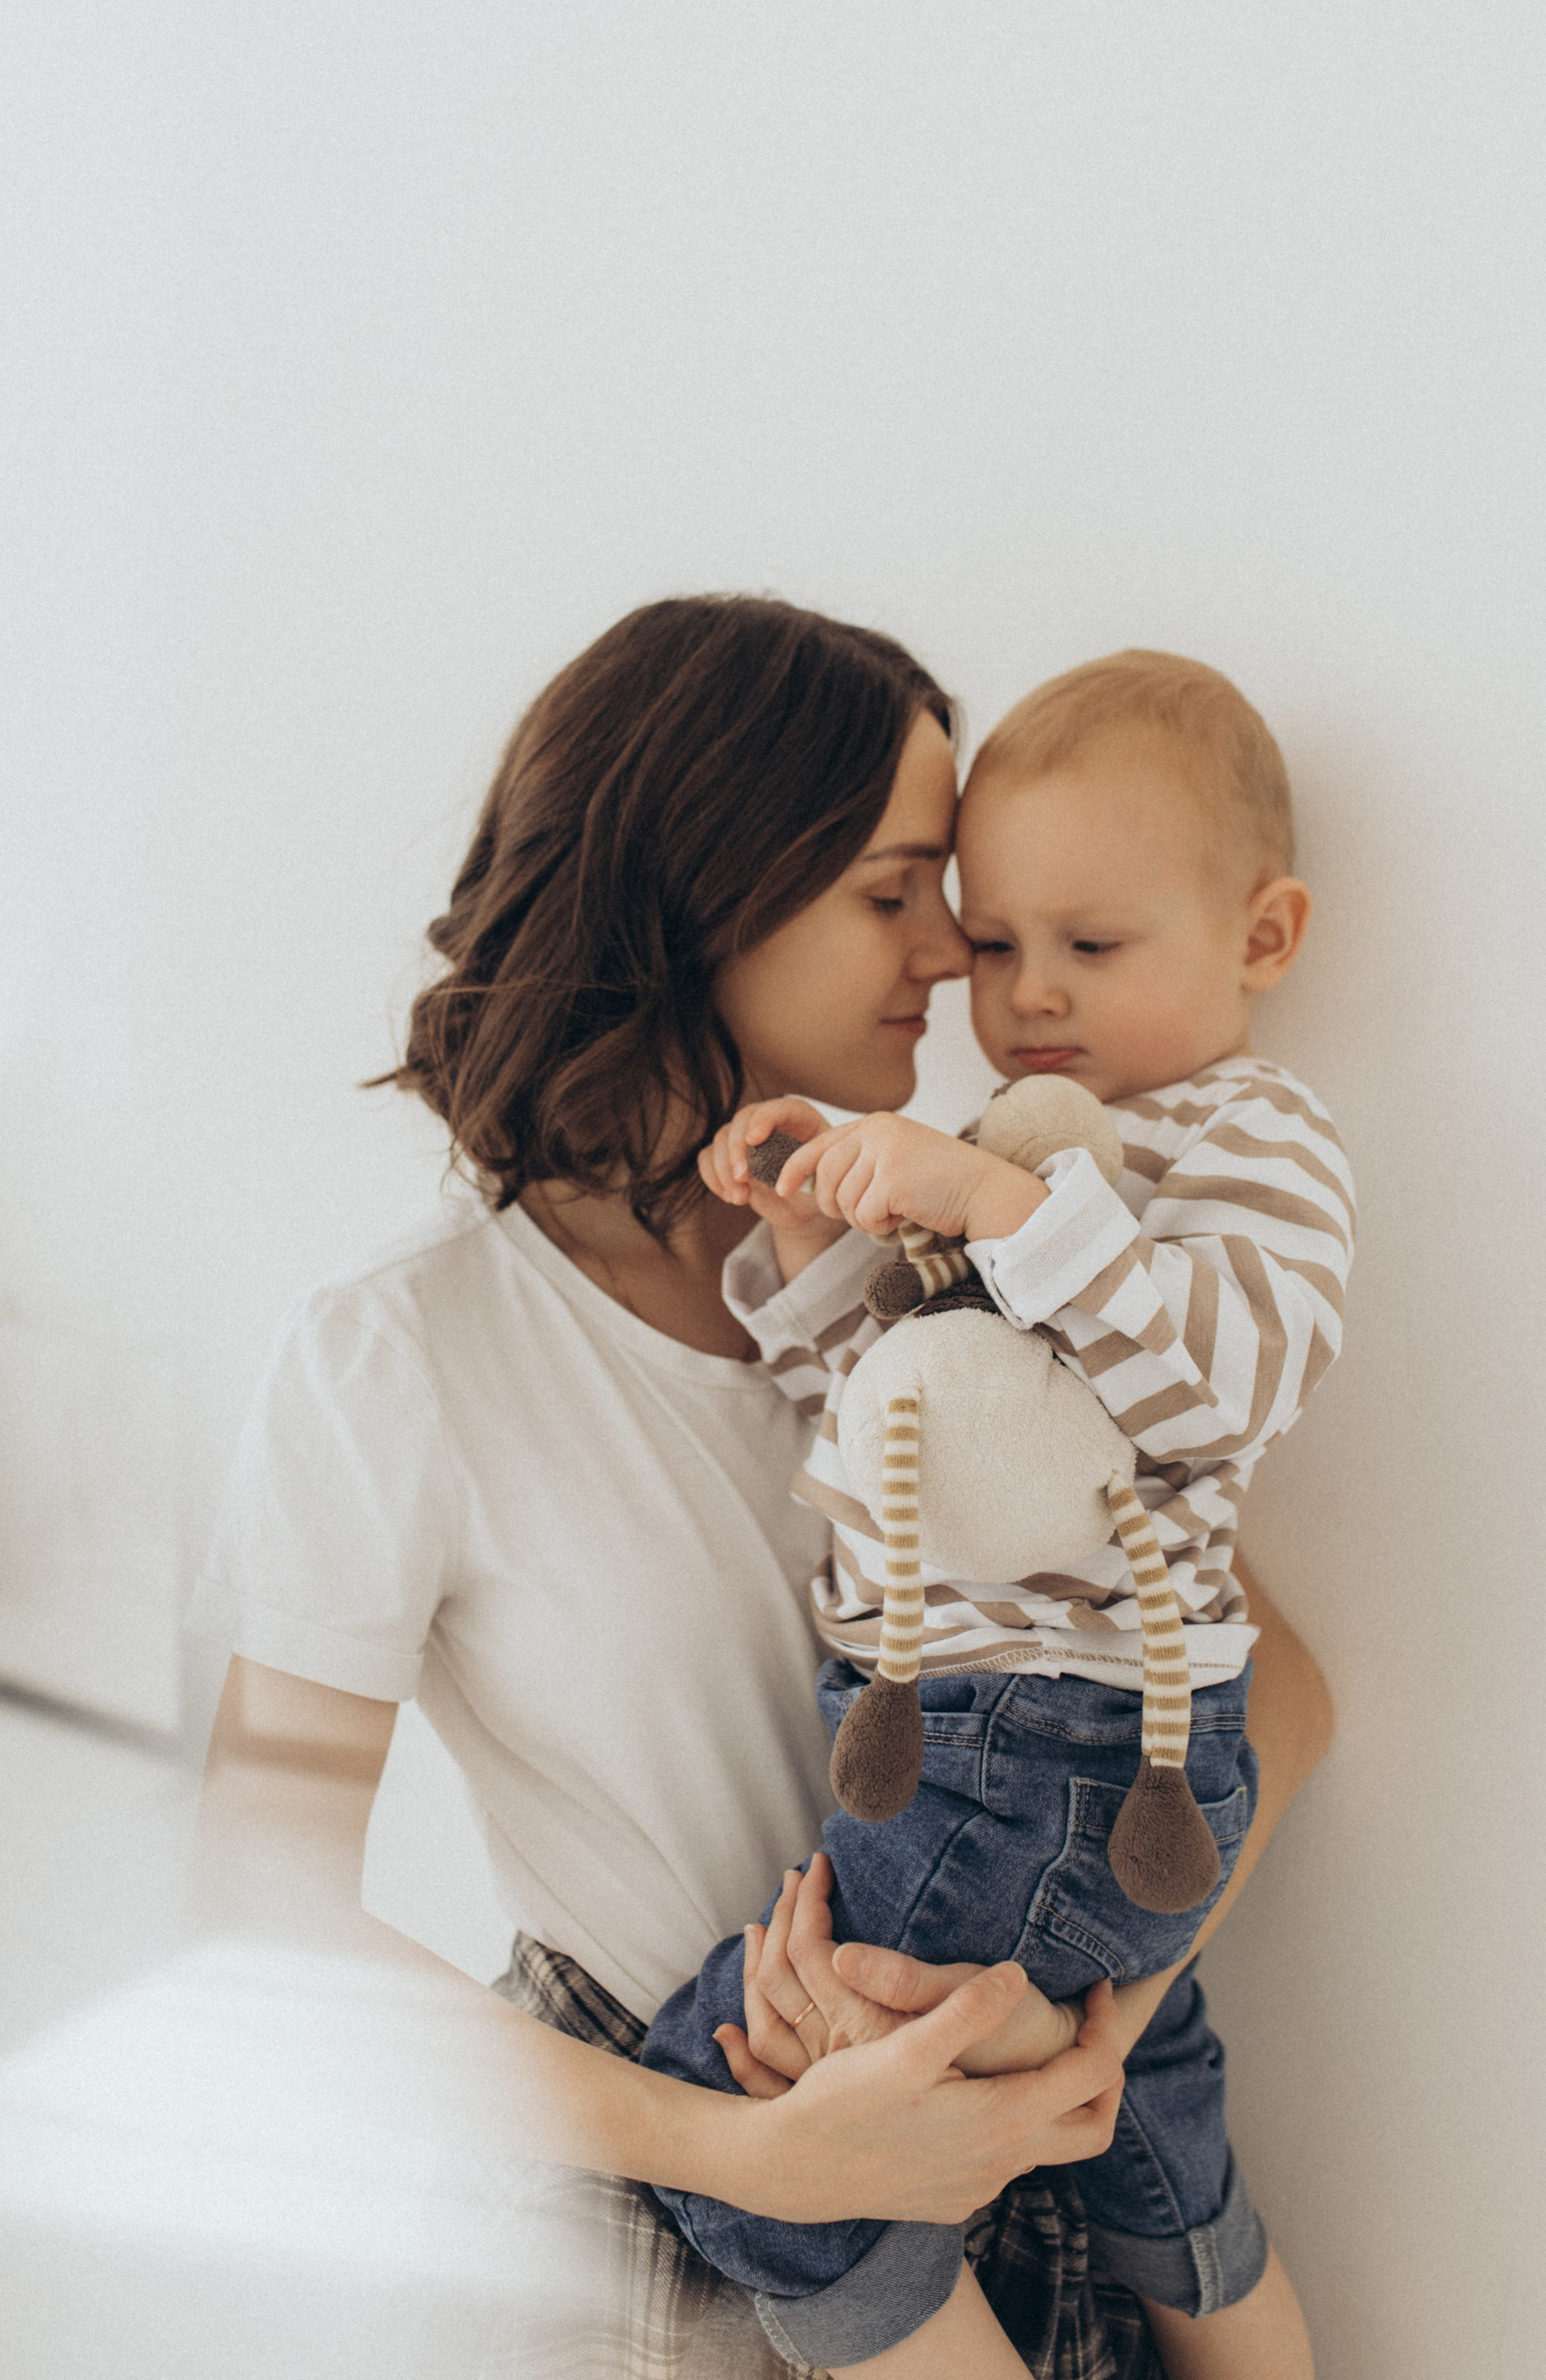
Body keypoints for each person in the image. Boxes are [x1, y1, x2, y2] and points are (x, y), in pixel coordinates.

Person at [187, 601, 1334, 2379]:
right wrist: (753, 2150)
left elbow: (1280, 1687)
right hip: (667, 2219)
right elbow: (262, 1922)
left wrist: (1083, 1994)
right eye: (895, 892)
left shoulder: (955, 1280)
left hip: (1013, 2174)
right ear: (706, 893)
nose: (958, 958)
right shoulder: (401, 1356)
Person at [643, 651, 1351, 2380]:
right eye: (996, 940)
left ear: (1261, 939)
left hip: (1050, 1741)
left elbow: (1218, 1385)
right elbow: (903, 1424)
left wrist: (992, 1194)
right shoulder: (1032, 1149)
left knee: (718, 2097)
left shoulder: (1245, 1142)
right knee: (1151, 2129)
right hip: (1013, 1742)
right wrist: (827, 1239)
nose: (1027, 996)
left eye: (1091, 948)